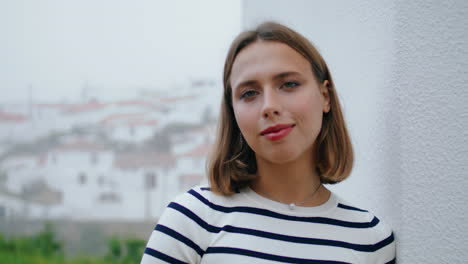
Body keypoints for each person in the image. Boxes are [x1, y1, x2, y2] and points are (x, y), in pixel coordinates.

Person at [141, 21, 396, 264]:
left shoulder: (370, 240)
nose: (269, 106)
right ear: (233, 112)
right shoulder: (192, 219)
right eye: (249, 93)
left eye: (288, 84)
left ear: (325, 96)